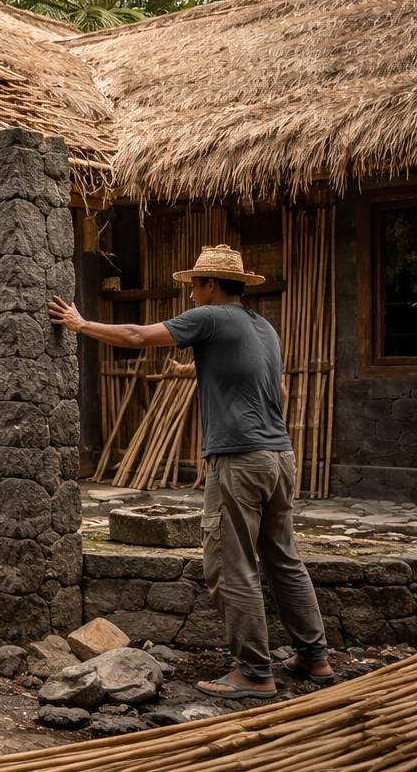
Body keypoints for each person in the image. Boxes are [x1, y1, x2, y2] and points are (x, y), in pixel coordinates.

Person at [48, 244, 333, 699]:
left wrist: (81, 324)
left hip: (239, 458)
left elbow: (137, 335)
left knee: (231, 566)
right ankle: (315, 657)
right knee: (284, 559)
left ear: (211, 285)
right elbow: (275, 388)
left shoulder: (211, 317)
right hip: (279, 456)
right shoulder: (263, 327)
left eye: (195, 285)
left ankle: (254, 673)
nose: (191, 294)